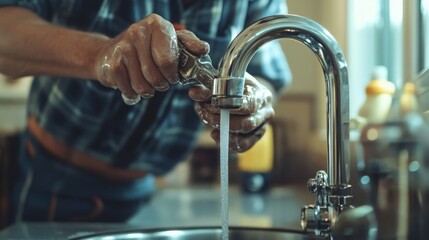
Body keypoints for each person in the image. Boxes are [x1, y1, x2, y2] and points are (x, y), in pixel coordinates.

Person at [0, 0, 291, 224]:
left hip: (151, 195)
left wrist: (255, 98)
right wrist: (100, 53)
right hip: (53, 185)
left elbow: (264, 74)